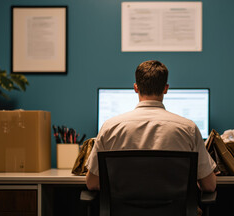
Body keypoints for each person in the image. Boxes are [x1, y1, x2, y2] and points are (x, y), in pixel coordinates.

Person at [85, 60, 217, 192]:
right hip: (172, 210)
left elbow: (91, 183)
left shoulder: (110, 128)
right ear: (166, 89)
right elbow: (210, 186)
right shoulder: (189, 129)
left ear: (136, 88)